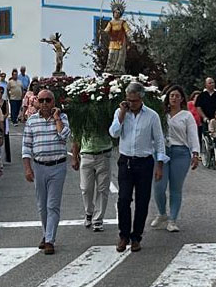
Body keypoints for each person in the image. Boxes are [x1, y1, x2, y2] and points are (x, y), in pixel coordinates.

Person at [109, 81, 167, 253]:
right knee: (124, 199)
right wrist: (121, 114)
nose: (131, 104)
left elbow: (159, 141)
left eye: (134, 101)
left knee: (142, 201)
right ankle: (123, 235)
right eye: (128, 100)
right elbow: (113, 133)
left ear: (141, 98)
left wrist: (160, 165)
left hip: (144, 161)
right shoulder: (121, 113)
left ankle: (136, 237)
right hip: (126, 161)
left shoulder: (152, 116)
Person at [22, 89, 71, 254]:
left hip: (57, 166)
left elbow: (64, 136)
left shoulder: (62, 118)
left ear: (53, 102)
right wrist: (27, 168)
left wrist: (56, 118)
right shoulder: (31, 121)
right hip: (39, 166)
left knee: (52, 205)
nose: (44, 104)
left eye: (48, 100)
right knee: (42, 206)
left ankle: (50, 240)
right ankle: (46, 233)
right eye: (41, 100)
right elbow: (26, 146)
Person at [152, 85, 200, 232]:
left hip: (180, 152)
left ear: (182, 99)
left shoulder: (186, 115)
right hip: (162, 152)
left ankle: (172, 219)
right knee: (159, 186)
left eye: (177, 96)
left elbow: (192, 134)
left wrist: (195, 153)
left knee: (175, 188)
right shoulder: (160, 114)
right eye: (171, 95)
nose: (174, 98)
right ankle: (162, 213)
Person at [71, 120, 114, 233]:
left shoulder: (106, 114)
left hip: (103, 154)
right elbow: (76, 136)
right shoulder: (83, 114)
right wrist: (74, 157)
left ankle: (98, 219)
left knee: (103, 189)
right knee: (85, 188)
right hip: (86, 155)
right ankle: (89, 211)